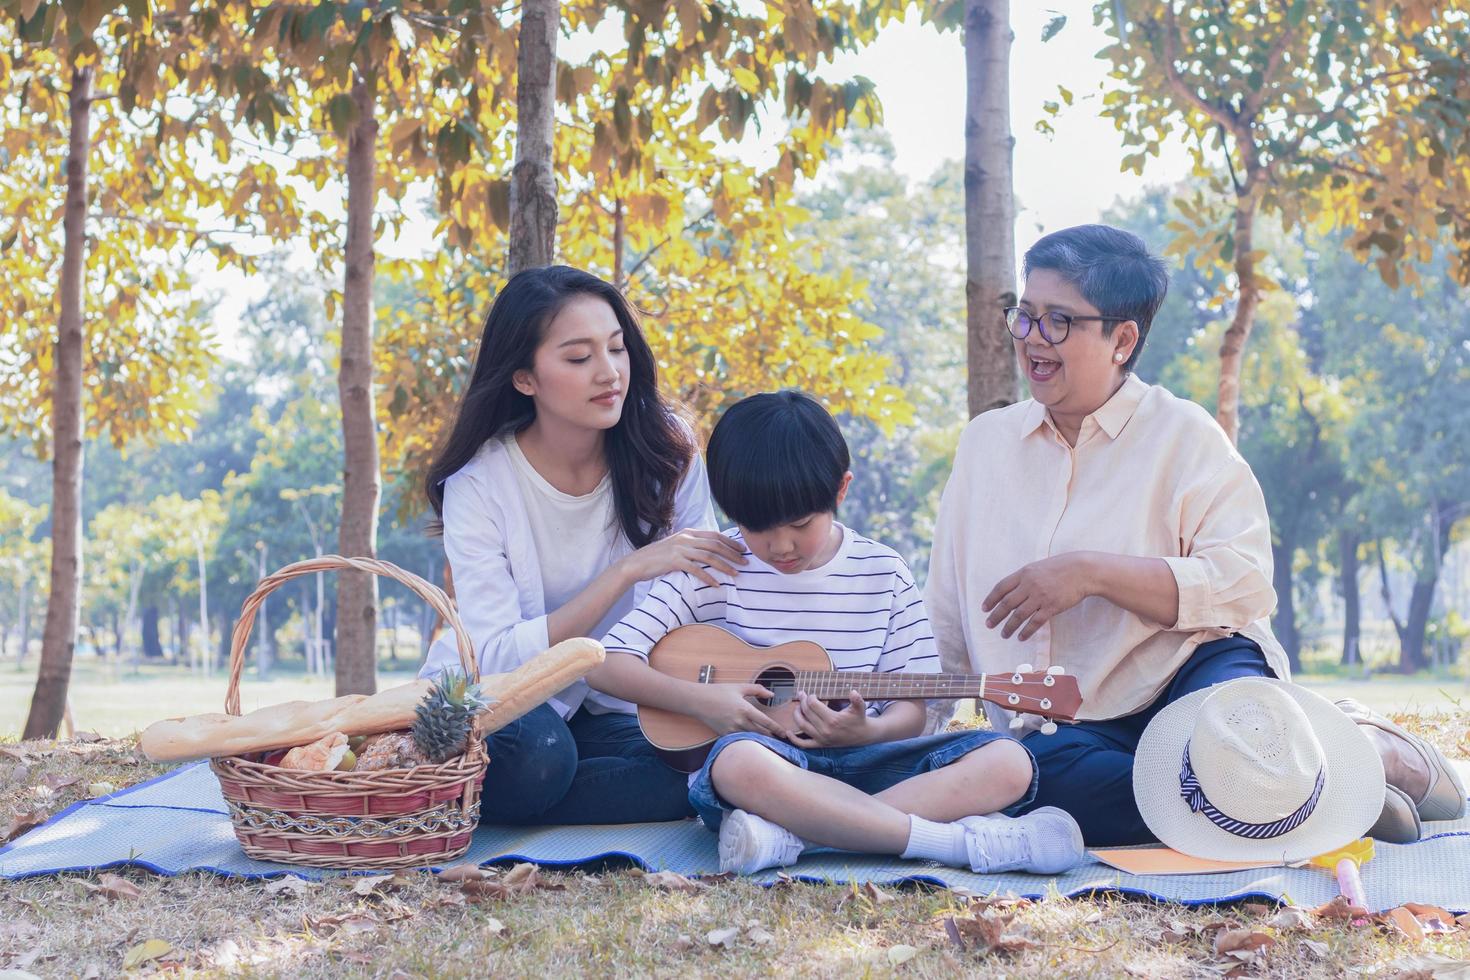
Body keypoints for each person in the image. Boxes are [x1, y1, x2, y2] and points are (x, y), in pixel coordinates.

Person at [925, 224, 1465, 846]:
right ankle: (1300, 788)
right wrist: (907, 724)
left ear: (1123, 339)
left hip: (1192, 673)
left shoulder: (1185, 435)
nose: (1032, 340)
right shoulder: (984, 446)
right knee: (1027, 782)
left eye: (1058, 322)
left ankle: (1360, 752)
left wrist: (1091, 573)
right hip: (1066, 728)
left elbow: (1243, 584)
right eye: (1025, 316)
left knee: (1228, 738)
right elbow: (946, 612)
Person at [587, 391, 1086, 875]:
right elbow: (605, 663)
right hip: (774, 774)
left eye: (800, 524)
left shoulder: (882, 572)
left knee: (1008, 761)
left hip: (868, 764)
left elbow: (911, 711)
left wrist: (868, 731)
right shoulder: (713, 567)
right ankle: (952, 843)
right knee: (736, 763)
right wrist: (702, 703)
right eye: (757, 528)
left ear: (841, 490)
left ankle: (798, 838)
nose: (780, 546)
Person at [420, 265, 748, 824]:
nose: (609, 373)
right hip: (502, 698)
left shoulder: (668, 453)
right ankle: (487, 787)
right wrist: (622, 575)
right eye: (578, 358)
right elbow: (495, 656)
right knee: (536, 758)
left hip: (618, 696)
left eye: (617, 349)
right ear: (525, 378)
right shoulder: (478, 484)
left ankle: (483, 802)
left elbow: (706, 598)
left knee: (693, 763)